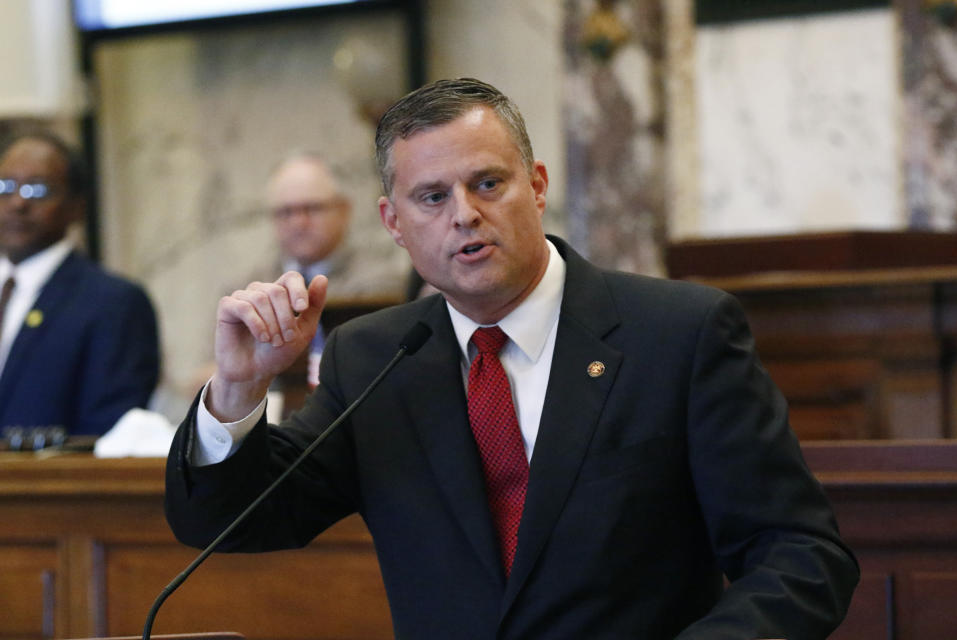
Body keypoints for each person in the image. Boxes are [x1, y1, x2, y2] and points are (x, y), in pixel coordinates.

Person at [165, 79, 859, 639]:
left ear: (536, 184)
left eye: (487, 184)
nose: (463, 214)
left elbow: (800, 555)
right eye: (432, 198)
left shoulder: (679, 333)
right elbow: (233, 522)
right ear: (393, 223)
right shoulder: (375, 357)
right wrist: (239, 385)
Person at [0, 131, 160, 437]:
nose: (17, 203)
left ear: (76, 207)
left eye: (38, 189)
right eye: (5, 186)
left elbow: (109, 432)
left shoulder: (114, 303)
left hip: (46, 482)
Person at [264, 152, 352, 387]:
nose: (298, 223)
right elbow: (204, 375)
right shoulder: (246, 287)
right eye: (286, 212)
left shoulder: (386, 281)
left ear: (343, 211)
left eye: (312, 208)